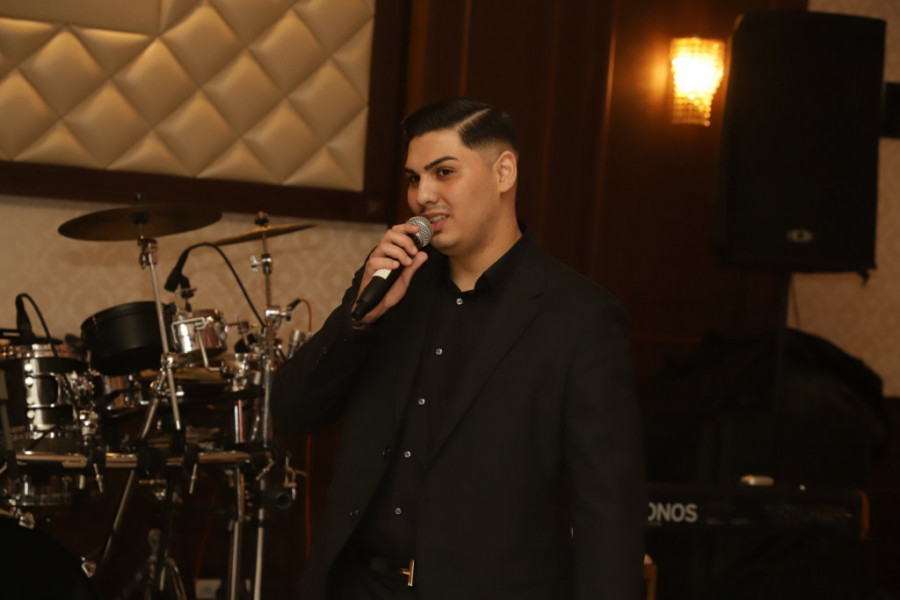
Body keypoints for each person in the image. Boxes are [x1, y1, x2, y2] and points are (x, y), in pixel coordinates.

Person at [272, 98, 646, 600]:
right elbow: (292, 411)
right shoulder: (393, 287)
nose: (422, 195)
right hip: (358, 584)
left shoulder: (580, 318)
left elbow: (609, 510)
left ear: (503, 172)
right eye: (413, 178)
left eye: (443, 172)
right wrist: (356, 322)